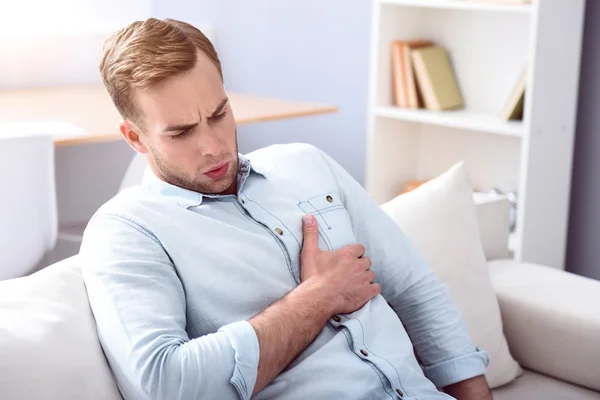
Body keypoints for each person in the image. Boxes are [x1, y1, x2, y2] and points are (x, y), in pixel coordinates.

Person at [80, 18, 492, 400]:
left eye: (219, 113)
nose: (213, 145)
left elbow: (413, 288)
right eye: (182, 132)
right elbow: (164, 383)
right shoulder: (127, 231)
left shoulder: (306, 163)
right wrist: (317, 298)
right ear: (134, 137)